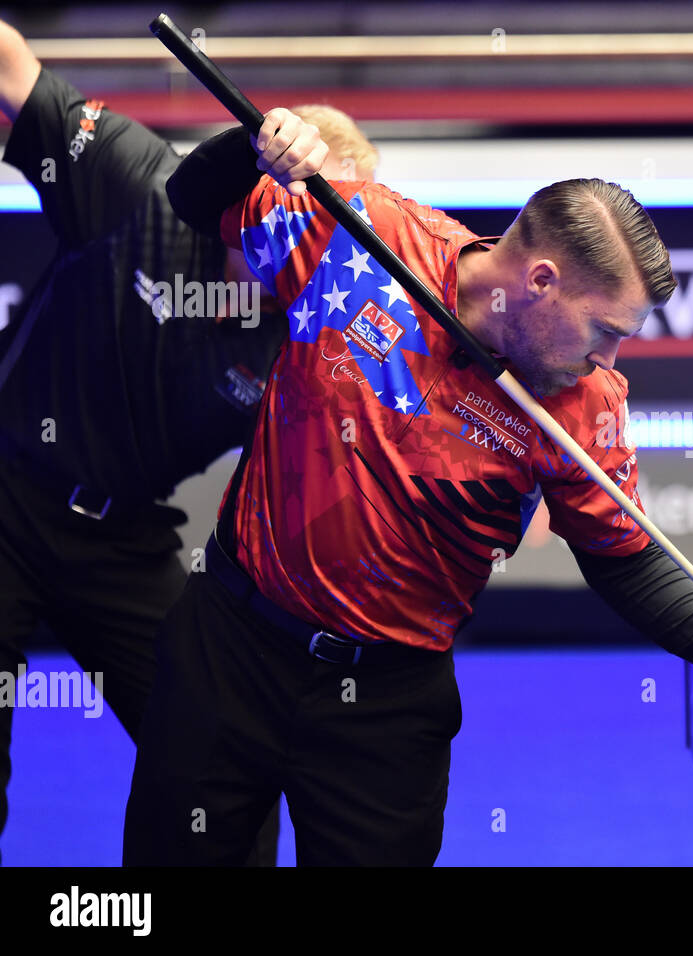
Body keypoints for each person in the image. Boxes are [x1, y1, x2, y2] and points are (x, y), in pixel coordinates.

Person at [123, 108, 693, 866]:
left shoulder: (585, 404)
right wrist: (255, 146)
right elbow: (194, 199)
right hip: (230, 647)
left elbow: (625, 558)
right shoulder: (363, 236)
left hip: (387, 708)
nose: (612, 357)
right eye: (604, 330)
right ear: (540, 282)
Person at [0, 20, 374, 864]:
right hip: (5, 492)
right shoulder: (135, 180)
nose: (326, 248)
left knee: (220, 754)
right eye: (318, 216)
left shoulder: (314, 330)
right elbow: (12, 66)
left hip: (125, 536)